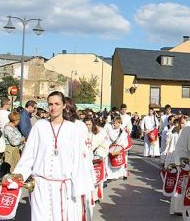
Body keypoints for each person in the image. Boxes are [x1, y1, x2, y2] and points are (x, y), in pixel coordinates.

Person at [11, 91, 91, 221]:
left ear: (64, 105)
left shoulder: (72, 129)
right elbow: (29, 154)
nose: (53, 107)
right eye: (50, 104)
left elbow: (78, 160)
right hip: (40, 186)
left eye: (57, 104)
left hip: (63, 187)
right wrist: (19, 175)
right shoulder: (40, 126)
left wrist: (80, 188)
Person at [84, 117, 109, 204]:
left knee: (97, 178)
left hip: (96, 157)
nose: (87, 126)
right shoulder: (83, 133)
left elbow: (104, 146)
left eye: (89, 124)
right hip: (86, 159)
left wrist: (98, 153)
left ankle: (96, 196)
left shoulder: (100, 132)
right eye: (86, 124)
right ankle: (88, 197)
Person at [106, 115, 129, 180]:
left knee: (119, 161)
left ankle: (120, 174)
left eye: (116, 123)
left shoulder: (123, 132)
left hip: (119, 148)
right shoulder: (110, 131)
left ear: (120, 123)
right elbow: (108, 140)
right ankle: (110, 176)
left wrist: (121, 146)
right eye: (114, 123)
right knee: (111, 161)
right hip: (112, 148)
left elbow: (125, 141)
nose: (114, 124)